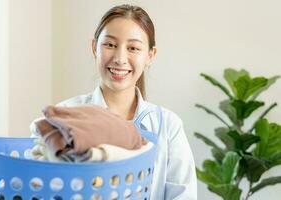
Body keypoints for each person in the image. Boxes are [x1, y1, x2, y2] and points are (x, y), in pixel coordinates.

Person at [30, 4, 197, 200]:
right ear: (94, 47)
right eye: (110, 45)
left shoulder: (168, 126)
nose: (119, 58)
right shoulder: (63, 116)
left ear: (150, 56)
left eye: (133, 48)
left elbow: (183, 195)